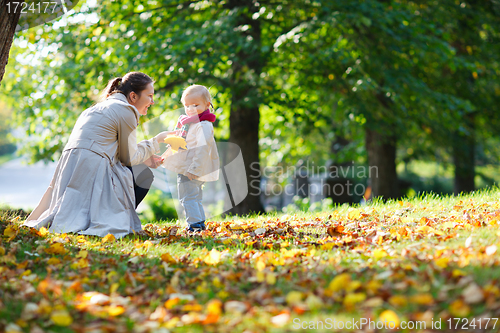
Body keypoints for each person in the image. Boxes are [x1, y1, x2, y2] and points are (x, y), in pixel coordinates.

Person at [24, 72, 171, 238]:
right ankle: (120, 219)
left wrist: (144, 157)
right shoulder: (126, 110)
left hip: (71, 169)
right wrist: (158, 140)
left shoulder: (95, 108)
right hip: (93, 168)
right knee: (144, 175)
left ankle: (115, 217)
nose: (152, 101)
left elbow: (111, 149)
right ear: (133, 96)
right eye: (150, 96)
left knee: (141, 169)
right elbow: (127, 158)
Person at [162, 85, 219, 232]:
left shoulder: (203, 125)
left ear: (207, 105)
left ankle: (194, 226)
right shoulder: (191, 123)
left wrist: (194, 169)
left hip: (192, 168)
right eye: (187, 106)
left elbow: (203, 149)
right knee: (193, 197)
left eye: (195, 105)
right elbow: (179, 143)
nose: (191, 109)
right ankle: (199, 224)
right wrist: (164, 157)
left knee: (187, 197)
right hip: (189, 166)